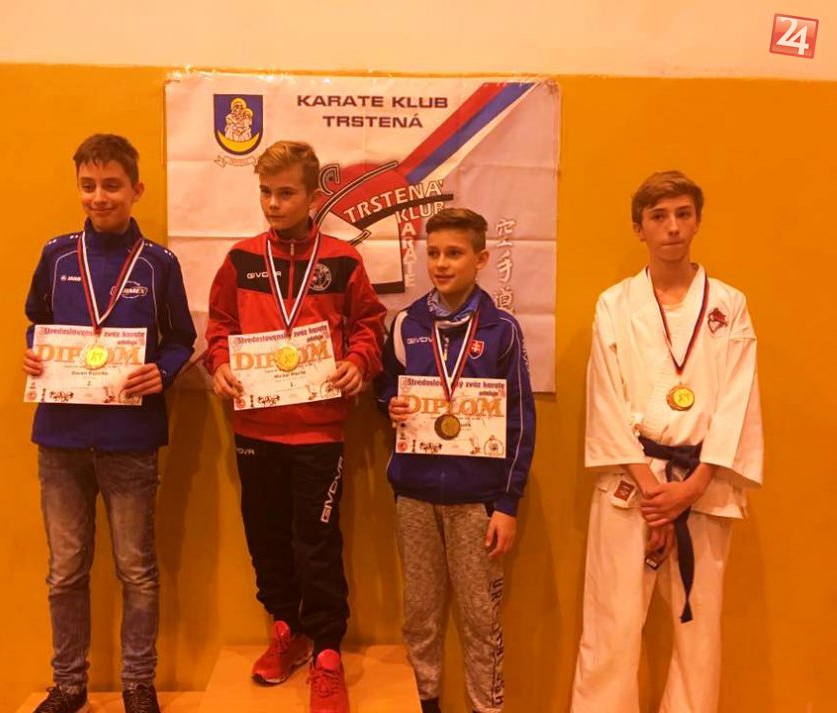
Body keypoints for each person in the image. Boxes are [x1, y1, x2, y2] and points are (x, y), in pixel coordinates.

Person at [202, 140, 386, 713]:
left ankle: (327, 652)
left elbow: (369, 324)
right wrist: (220, 364)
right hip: (255, 429)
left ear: (312, 195)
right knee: (266, 538)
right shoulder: (240, 259)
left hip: (318, 432)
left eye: (285, 193)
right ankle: (287, 629)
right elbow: (220, 325)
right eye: (265, 192)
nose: (273, 204)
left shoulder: (342, 259)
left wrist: (358, 362)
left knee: (318, 544)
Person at [570, 170, 763, 713]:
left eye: (682, 214)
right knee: (609, 629)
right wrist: (654, 492)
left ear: (697, 221)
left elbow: (738, 398)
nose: (672, 227)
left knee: (699, 635)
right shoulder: (615, 304)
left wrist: (693, 486)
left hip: (704, 484)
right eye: (659, 216)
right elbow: (605, 396)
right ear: (639, 228)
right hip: (631, 485)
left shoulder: (729, 304)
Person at [22, 134, 196, 713]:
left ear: (136, 190)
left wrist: (162, 372)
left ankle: (138, 683)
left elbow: (182, 339)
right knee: (65, 572)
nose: (100, 197)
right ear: (79, 188)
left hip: (130, 439)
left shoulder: (159, 264)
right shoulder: (56, 256)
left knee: (137, 570)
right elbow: (37, 322)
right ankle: (69, 684)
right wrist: (34, 353)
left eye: (112, 186)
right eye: (89, 185)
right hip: (62, 437)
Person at [376, 208, 536, 713]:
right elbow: (385, 388)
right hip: (415, 495)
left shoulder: (502, 329)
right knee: (419, 616)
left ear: (481, 259)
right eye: (434, 253)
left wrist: (507, 504)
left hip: (478, 503)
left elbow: (521, 421)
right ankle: (424, 704)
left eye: (454, 253)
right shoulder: (407, 323)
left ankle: (485, 707)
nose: (442, 264)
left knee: (480, 620)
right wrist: (389, 404)